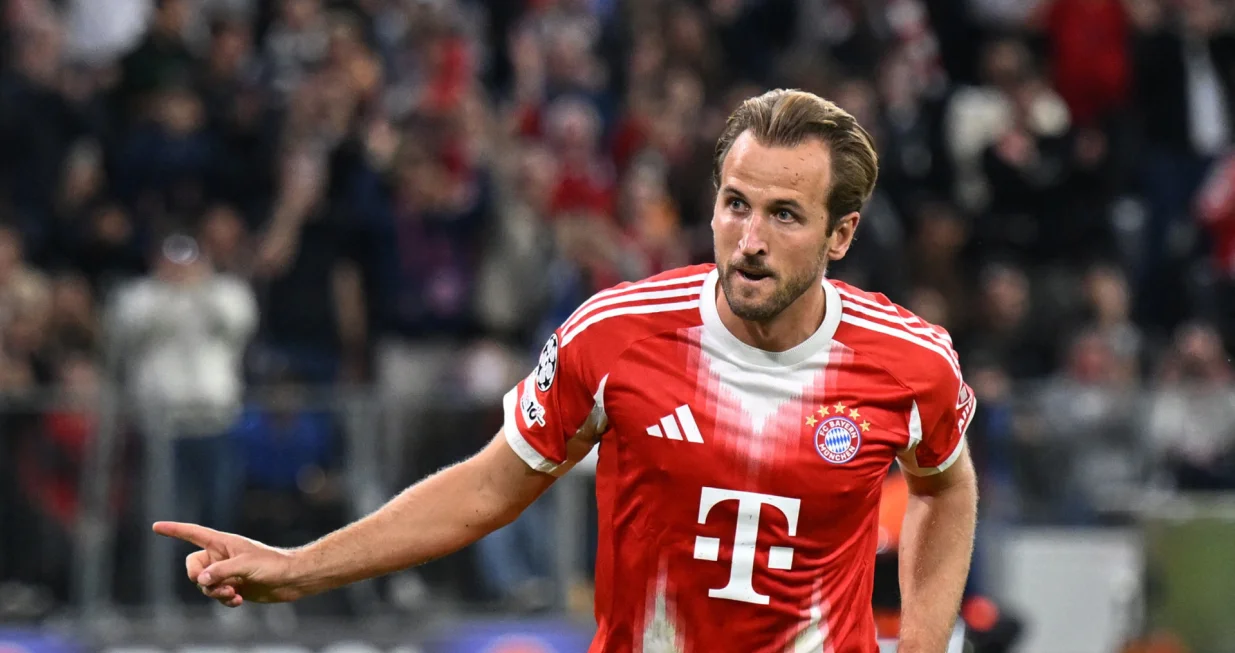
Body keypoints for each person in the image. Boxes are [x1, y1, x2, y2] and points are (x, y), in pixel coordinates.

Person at [154, 89, 979, 653]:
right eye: (735, 203)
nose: (749, 238)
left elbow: (945, 484)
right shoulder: (614, 333)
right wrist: (299, 568)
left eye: (785, 214)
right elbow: (486, 487)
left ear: (841, 234)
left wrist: (922, 641)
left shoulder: (909, 362)